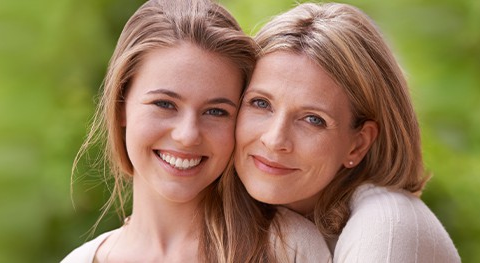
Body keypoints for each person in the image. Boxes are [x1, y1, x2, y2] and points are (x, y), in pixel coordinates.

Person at [62, 0, 331, 262]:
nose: (188, 135)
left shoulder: (289, 247)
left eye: (216, 111)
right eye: (164, 104)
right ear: (121, 105)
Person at [233, 2, 461, 262]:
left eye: (313, 119)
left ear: (358, 144)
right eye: (261, 103)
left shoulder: (386, 228)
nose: (275, 140)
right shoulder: (271, 225)